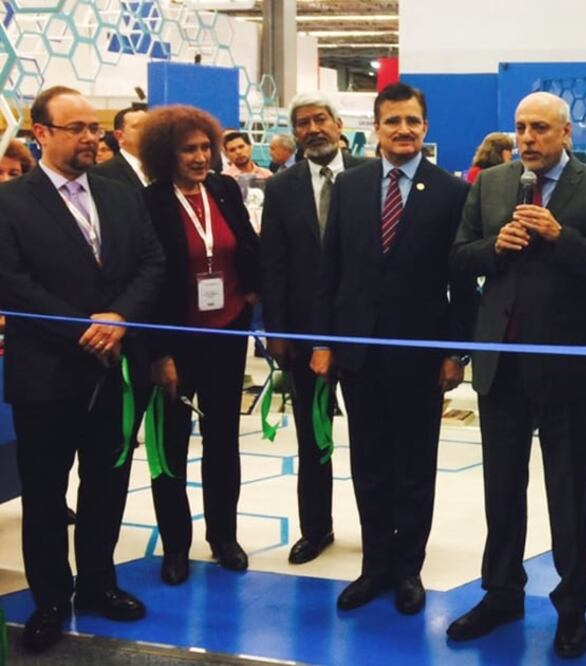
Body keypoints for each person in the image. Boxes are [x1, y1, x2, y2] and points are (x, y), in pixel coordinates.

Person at [447, 91, 586, 659]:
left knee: (568, 496)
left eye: (540, 129)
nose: (528, 138)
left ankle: (571, 605)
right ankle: (501, 592)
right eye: (521, 128)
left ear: (566, 133)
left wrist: (561, 237)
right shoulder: (492, 183)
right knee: (501, 491)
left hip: (565, 370)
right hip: (500, 366)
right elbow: (458, 256)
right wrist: (493, 248)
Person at [0, 86, 165, 653]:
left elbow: (152, 262)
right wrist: (82, 328)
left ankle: (98, 584)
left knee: (107, 483)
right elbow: (11, 281)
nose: (91, 138)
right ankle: (49, 599)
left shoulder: (121, 196)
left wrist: (118, 317)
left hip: (114, 370)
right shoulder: (10, 202)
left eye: (94, 128)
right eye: (77, 129)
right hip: (46, 373)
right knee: (44, 493)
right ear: (40, 133)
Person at [311, 82, 474, 615]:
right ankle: (374, 566)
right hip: (358, 356)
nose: (403, 130)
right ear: (375, 128)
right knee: (370, 465)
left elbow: (462, 282)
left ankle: (409, 569)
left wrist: (455, 352)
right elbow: (329, 270)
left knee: (414, 466)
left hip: (421, 358)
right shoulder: (352, 187)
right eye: (392, 121)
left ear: (426, 128)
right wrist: (325, 342)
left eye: (412, 121)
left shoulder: (450, 192)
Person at [139, 105, 260, 586]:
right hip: (176, 343)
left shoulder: (225, 189)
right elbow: (145, 280)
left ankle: (224, 537)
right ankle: (175, 547)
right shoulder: (149, 202)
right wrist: (159, 353)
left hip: (227, 337)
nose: (199, 156)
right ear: (166, 154)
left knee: (223, 443)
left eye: (205, 147)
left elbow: (247, 246)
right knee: (171, 447)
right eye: (188, 149)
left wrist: (251, 294)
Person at [261, 92, 368, 565]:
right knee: (312, 437)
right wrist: (277, 331)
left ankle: (379, 533)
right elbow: (274, 265)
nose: (312, 129)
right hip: (304, 333)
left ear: (339, 124)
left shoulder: (370, 176)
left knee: (371, 439)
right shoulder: (281, 189)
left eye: (320, 119)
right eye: (302, 123)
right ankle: (315, 528)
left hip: (367, 330)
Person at [93, 105, 150, 189]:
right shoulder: (102, 173)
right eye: (137, 126)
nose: (146, 130)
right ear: (119, 136)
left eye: (149, 125)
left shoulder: (162, 169)